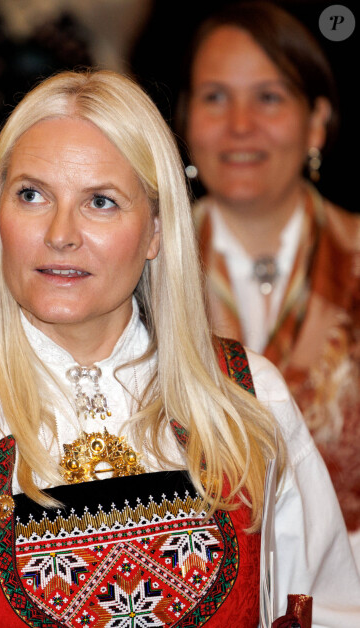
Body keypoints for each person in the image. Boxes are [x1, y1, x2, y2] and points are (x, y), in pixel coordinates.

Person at [0, 70, 360, 627]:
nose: (60, 233)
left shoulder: (249, 398)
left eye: (100, 201)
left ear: (157, 230)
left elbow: (334, 610)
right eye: (32, 194)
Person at [175, 1, 360, 565]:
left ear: (317, 121)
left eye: (269, 97)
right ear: (183, 119)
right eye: (215, 97)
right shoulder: (138, 271)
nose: (239, 126)